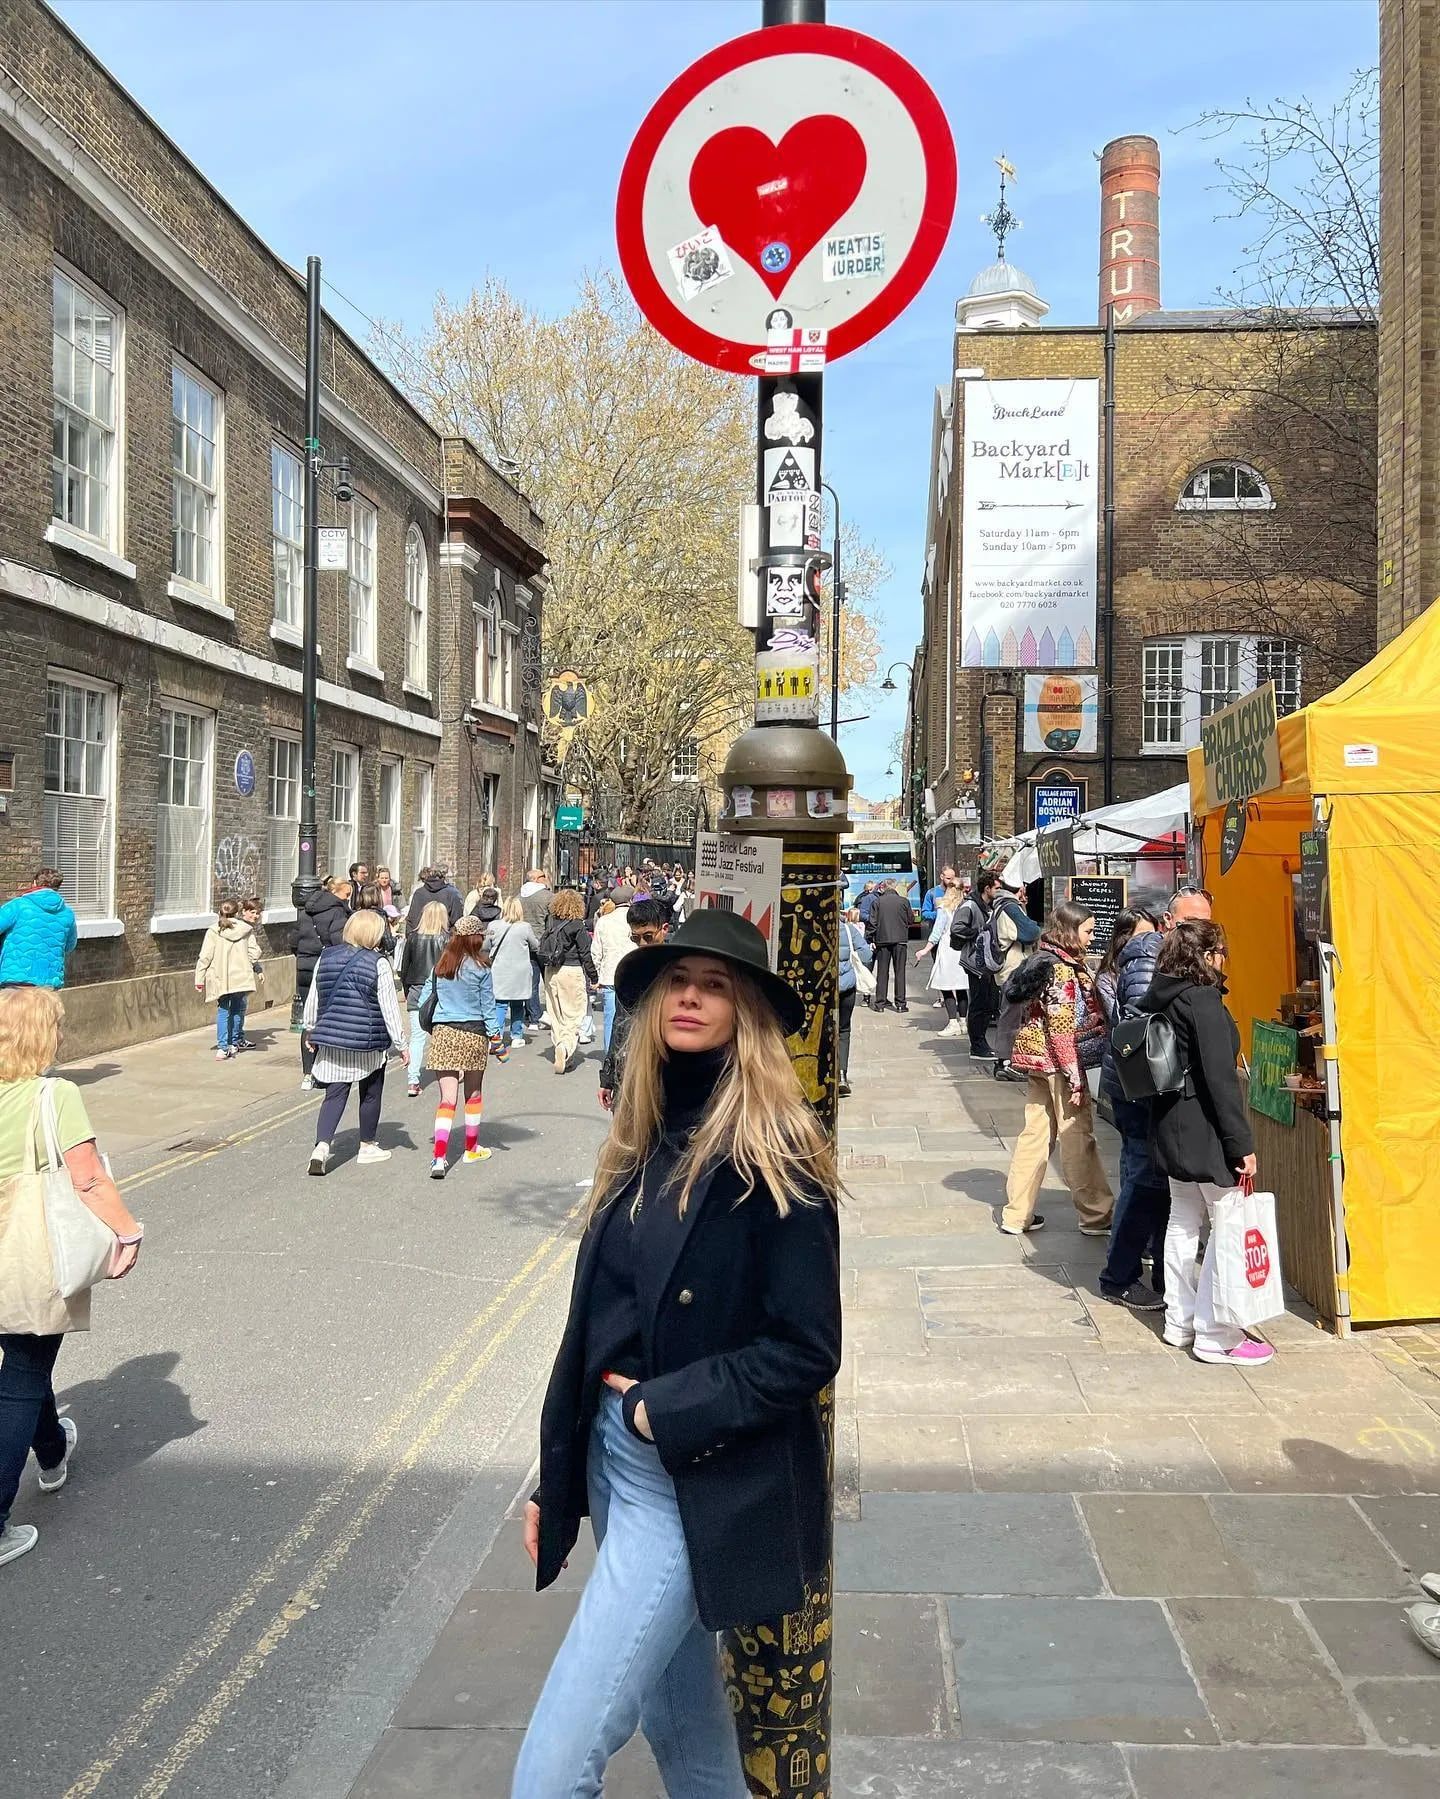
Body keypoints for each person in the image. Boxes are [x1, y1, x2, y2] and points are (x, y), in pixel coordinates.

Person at [513, 910, 840, 1795]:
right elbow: (599, 1324)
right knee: (686, 1729)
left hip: (685, 1471)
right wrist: (561, 1472)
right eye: (678, 981)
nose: (691, 996)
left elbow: (808, 1347)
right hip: (615, 1460)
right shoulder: (642, 1134)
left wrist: (666, 1409)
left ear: (747, 1013)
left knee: (549, 1769)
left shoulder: (777, 1153)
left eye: (716, 984)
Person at [0, 987, 142, 1569]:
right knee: (24, 1372)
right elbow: (85, 1180)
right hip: (26, 1248)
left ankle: (53, 1451)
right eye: (56, 1027)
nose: (62, 1035)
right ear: (41, 1036)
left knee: (24, 1366)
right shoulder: (54, 1095)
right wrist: (127, 1231)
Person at [1139, 920, 1273, 1366]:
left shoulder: (1164, 993)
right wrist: (1241, 1143)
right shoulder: (1202, 1000)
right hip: (1205, 1128)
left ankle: (1180, 1320)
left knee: (1182, 1220)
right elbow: (1220, 1080)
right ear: (1208, 954)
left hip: (1170, 1123)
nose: (1224, 959)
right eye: (1221, 951)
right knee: (1226, 1223)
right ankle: (1215, 1332)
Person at [1000, 901, 1113, 1238]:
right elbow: (1061, 1028)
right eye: (1088, 931)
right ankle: (1096, 1214)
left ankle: (1016, 1214)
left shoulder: (1041, 957)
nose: (1092, 938)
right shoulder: (1062, 969)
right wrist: (1075, 1076)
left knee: (1034, 1135)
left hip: (1036, 1059)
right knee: (1077, 1134)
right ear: (1070, 930)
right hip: (1060, 1065)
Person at [1095, 906, 1168, 1311]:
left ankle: (1146, 1258)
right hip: (1137, 1089)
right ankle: (1120, 1275)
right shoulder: (1138, 968)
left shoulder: (1132, 967)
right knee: (1142, 1179)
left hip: (1132, 1087)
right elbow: (1143, 1032)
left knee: (1144, 1177)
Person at [302, 909, 408, 1175]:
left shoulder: (326, 957)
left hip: (333, 1037)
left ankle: (322, 1147)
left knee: (334, 1094)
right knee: (370, 1092)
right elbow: (390, 1009)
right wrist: (402, 1044)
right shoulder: (378, 963)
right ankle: (367, 1146)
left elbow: (314, 997)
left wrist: (310, 1030)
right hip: (367, 1040)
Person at [425, 916, 503, 1180]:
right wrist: (497, 1040)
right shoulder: (481, 968)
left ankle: (439, 1157)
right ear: (475, 938)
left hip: (444, 1032)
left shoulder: (441, 965)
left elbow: (427, 997)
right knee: (473, 1093)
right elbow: (488, 1007)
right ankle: (471, 1148)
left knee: (447, 1099)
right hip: (473, 1033)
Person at [598, 899, 673, 1111]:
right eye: (635, 938)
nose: (641, 944)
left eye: (648, 937)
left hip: (664, 1076)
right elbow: (619, 1024)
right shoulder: (631, 970)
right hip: (629, 1075)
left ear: (664, 929)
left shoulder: (679, 969)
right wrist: (608, 1078)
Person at [294, 878, 352, 1088]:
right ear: (336, 893)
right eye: (346, 895)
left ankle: (307, 1074)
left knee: (308, 1021)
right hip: (326, 969)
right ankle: (324, 1070)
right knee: (327, 1017)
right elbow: (339, 943)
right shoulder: (337, 912)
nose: (348, 899)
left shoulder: (305, 912)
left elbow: (294, 941)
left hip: (304, 969)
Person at [193, 898, 262, 1063]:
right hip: (240, 976)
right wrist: (248, 962)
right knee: (237, 1009)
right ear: (236, 913)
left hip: (221, 976)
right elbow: (255, 951)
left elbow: (205, 957)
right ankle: (233, 1042)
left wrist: (199, 979)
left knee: (223, 1011)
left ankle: (223, 1047)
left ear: (220, 913)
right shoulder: (245, 929)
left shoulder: (213, 931)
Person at [538, 889, 598, 1075]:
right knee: (574, 1015)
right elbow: (585, 953)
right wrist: (593, 977)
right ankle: (565, 1047)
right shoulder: (577, 926)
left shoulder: (551, 923)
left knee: (556, 1013)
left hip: (551, 971)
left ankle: (564, 1052)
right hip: (572, 971)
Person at [398, 900, 451, 1098]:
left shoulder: (412, 938)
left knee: (417, 1038)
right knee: (443, 1034)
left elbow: (404, 968)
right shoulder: (448, 939)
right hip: (441, 991)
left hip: (416, 989)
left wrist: (406, 990)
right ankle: (453, 1071)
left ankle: (413, 1081)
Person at [0, 868, 77, 991]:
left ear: (35, 883)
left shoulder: (18, 905)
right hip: (49, 982)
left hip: (16, 977)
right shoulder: (67, 914)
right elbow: (70, 946)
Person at [952, 871, 1000, 1060]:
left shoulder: (988, 906)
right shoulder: (970, 905)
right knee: (979, 1004)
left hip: (985, 962)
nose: (999, 891)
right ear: (987, 888)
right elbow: (956, 928)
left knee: (989, 1003)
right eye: (996, 888)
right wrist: (979, 931)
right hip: (974, 962)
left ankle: (981, 1043)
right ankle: (977, 1046)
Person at [916, 870, 968, 1037]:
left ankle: (953, 1022)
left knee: (946, 987)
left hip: (948, 949)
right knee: (961, 988)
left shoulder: (944, 908)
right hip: (963, 950)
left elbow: (937, 932)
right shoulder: (966, 906)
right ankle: (963, 1022)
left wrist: (925, 950)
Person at [485, 897, 542, 1048]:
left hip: (500, 970)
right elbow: (535, 946)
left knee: (500, 1004)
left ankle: (495, 1037)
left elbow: (485, 945)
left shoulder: (493, 925)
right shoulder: (525, 927)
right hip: (520, 971)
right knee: (518, 1004)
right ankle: (516, 1035)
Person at [591, 884, 638, 1051]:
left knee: (610, 1017)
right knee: (633, 1017)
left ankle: (609, 1055)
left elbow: (596, 951)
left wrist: (599, 972)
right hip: (632, 974)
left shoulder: (604, 921)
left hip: (610, 975)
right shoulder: (635, 920)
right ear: (631, 900)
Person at [838, 905, 872, 1099]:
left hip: (822, 989)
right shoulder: (849, 930)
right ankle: (842, 1075)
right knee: (843, 1030)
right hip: (847, 989)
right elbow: (866, 955)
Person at [869, 878, 913, 1013]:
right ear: (895, 887)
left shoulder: (877, 902)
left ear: (884, 887)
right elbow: (911, 920)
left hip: (882, 940)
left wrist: (871, 938)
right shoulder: (904, 901)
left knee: (882, 972)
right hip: (900, 940)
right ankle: (900, 1004)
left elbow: (872, 923)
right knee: (900, 972)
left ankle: (880, 1003)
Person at [519, 869, 555, 1027]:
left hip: (524, 943)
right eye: (543, 876)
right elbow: (552, 923)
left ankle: (533, 1017)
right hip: (544, 943)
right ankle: (552, 1013)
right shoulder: (548, 897)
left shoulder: (517, 897)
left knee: (530, 982)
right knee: (550, 980)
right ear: (536, 879)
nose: (546, 879)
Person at [406, 865, 464, 932]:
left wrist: (412, 939)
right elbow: (457, 922)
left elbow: (412, 921)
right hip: (445, 939)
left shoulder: (419, 893)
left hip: (420, 938)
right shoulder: (453, 893)